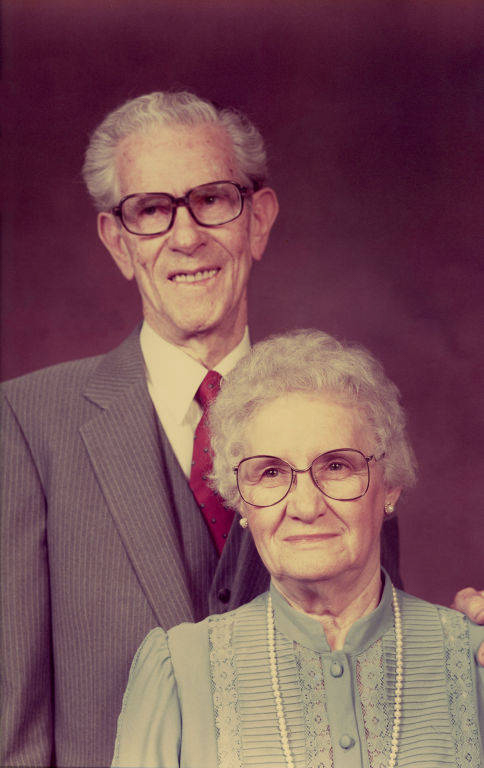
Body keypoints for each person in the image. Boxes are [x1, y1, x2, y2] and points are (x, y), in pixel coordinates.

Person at [1, 92, 482, 768]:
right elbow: (12, 730)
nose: (187, 235)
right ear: (117, 241)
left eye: (213, 200)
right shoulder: (25, 426)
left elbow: (373, 643)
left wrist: (466, 643)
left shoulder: (345, 423)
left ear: (257, 220)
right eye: (151, 210)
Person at [112, 330, 484, 768]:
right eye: (270, 472)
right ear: (241, 500)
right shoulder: (177, 671)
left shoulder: (472, 655)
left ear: (390, 484)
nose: (306, 506)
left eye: (336, 465)